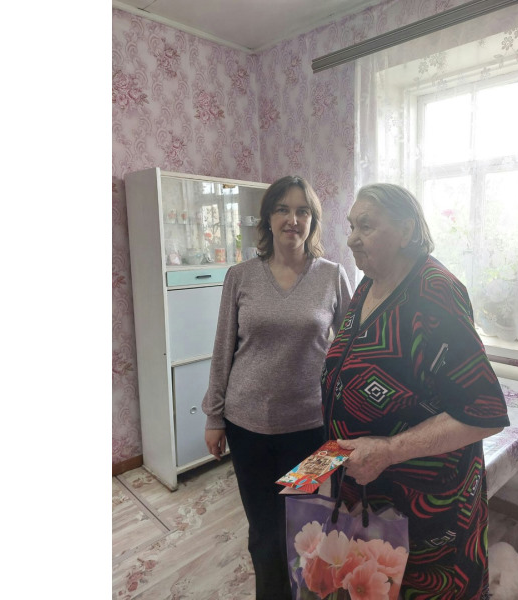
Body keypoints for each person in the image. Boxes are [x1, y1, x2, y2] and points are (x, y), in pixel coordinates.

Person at [321, 183, 510, 600]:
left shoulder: (434, 292)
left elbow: (483, 412)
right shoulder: (367, 285)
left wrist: (388, 451)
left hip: (425, 511)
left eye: (366, 226)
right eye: (351, 226)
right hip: (368, 494)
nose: (351, 238)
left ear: (406, 231)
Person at [202, 175, 352, 600]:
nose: (293, 219)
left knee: (305, 528)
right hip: (247, 428)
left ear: (313, 221)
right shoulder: (241, 276)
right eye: (283, 209)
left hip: (310, 430)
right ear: (267, 218)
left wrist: (349, 417)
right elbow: (223, 349)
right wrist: (214, 416)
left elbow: (351, 348)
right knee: (264, 533)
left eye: (303, 211)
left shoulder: (332, 275)